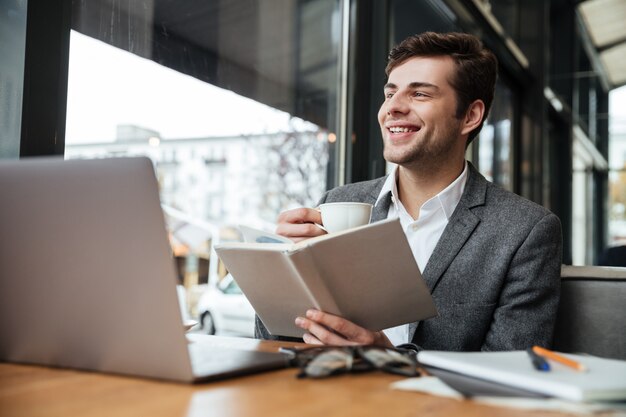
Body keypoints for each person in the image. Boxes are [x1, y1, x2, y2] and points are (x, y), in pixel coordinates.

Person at [255, 31, 562, 351]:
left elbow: (510, 376)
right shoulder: (338, 203)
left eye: (420, 94)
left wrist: (390, 361)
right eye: (390, 94)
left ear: (470, 116)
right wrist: (281, 270)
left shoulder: (525, 231)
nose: (393, 108)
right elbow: (276, 340)